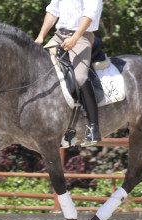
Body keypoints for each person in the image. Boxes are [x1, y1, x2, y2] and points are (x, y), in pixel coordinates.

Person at [35, 0, 103, 146]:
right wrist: (41, 36)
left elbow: (89, 13)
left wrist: (74, 38)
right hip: (59, 35)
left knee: (79, 78)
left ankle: (93, 128)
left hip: (82, 36)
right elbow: (53, 11)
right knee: (37, 70)